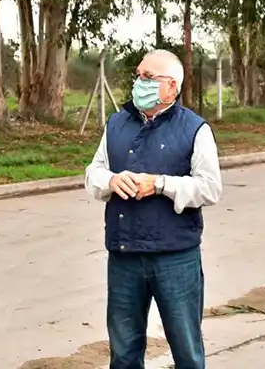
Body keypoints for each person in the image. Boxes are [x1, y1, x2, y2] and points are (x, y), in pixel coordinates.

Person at [84, 49, 223, 369]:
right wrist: (111, 180)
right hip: (124, 254)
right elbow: (93, 173)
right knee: (124, 350)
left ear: (172, 87)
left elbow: (210, 188)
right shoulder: (117, 124)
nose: (139, 83)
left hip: (175, 257)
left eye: (149, 77)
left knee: (187, 350)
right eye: (139, 76)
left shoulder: (195, 129)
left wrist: (160, 184)